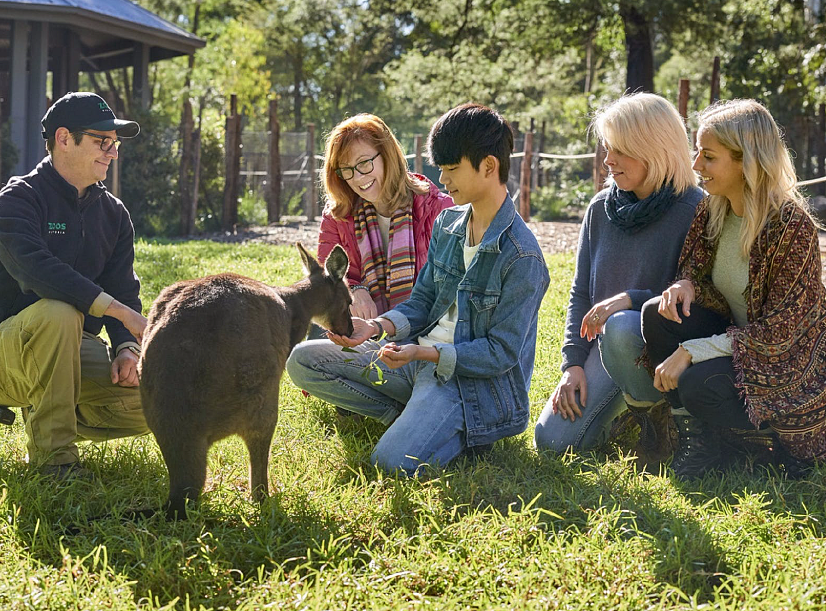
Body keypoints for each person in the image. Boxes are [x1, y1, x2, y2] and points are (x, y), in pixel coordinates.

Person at [287, 103, 549, 475]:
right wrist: (374, 329)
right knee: (303, 361)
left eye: (451, 168)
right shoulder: (449, 223)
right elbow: (423, 301)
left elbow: (499, 354)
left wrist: (422, 354)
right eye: (440, 168)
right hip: (417, 362)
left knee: (389, 464)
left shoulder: (522, 257)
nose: (442, 179)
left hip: (468, 386)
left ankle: (466, 430)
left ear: (489, 166)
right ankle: (412, 417)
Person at [642, 99, 826, 479]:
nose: (696, 166)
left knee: (696, 384)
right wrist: (685, 284)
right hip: (738, 346)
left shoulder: (791, 227)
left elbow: (783, 332)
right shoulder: (713, 209)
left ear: (747, 162)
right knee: (657, 315)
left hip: (786, 365)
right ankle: (702, 443)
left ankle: (759, 438)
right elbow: (695, 266)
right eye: (697, 153)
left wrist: (695, 350)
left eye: (708, 156)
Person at [534, 93, 702, 453]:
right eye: (607, 148)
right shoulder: (600, 209)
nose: (608, 161)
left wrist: (629, 299)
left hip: (667, 353)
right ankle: (629, 413)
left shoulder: (695, 209)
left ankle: (661, 418)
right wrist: (572, 365)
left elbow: (699, 297)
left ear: (654, 148)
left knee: (623, 324)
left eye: (621, 150)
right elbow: (581, 293)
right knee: (551, 441)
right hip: (607, 348)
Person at [0, 91, 149, 479]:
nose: (112, 152)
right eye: (102, 141)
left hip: (70, 348)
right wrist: (117, 311)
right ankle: (55, 462)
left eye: (114, 144)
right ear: (64, 139)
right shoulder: (17, 200)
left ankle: (54, 412)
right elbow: (35, 270)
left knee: (159, 395)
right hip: (8, 349)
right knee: (59, 311)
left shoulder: (114, 214)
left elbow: (123, 287)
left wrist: (127, 347)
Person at [318, 114, 453, 320]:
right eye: (346, 170)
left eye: (364, 163)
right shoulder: (338, 215)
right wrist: (354, 289)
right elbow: (325, 279)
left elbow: (451, 292)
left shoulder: (440, 210)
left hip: (425, 335)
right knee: (304, 351)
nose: (357, 178)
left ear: (387, 155)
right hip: (363, 332)